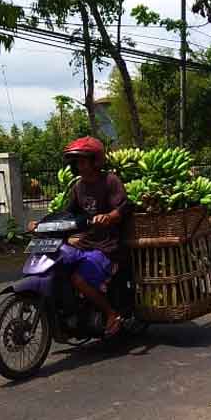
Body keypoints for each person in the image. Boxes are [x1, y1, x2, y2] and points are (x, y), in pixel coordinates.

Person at [61, 136, 130, 336]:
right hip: (84, 243)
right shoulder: (77, 186)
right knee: (57, 265)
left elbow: (124, 207)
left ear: (95, 161)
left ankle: (111, 314)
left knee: (79, 279)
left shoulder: (110, 180)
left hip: (107, 247)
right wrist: (41, 224)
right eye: (76, 162)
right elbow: (69, 213)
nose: (79, 165)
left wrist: (109, 216)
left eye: (83, 160)